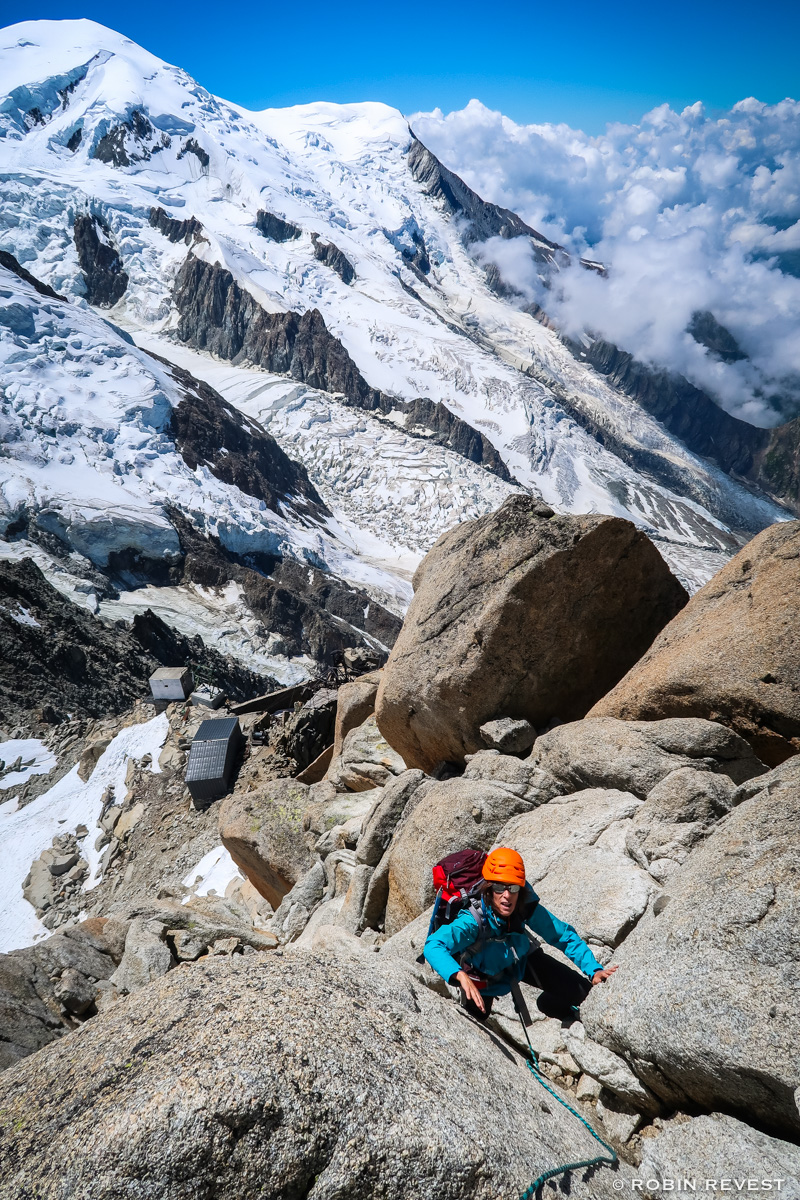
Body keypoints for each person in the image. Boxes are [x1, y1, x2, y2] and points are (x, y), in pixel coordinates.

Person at [423, 847, 618, 1022]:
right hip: (482, 974)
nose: (506, 895)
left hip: (520, 960)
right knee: (478, 1016)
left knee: (583, 992)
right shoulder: (473, 920)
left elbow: (562, 935)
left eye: (513, 888)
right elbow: (434, 945)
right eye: (499, 887)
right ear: (489, 889)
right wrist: (459, 976)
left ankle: (553, 1006)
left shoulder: (523, 906)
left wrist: (594, 969)